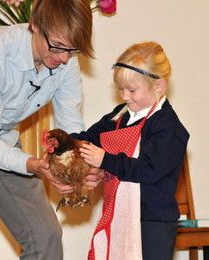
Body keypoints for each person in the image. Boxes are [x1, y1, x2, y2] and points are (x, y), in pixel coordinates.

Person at [0, 0, 104, 259]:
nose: (64, 58)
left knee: (46, 237)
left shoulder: (65, 61)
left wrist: (81, 165)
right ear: (34, 25)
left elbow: (71, 128)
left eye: (73, 50)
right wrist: (34, 165)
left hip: (3, 141)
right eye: (57, 46)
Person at [70, 41, 190, 260]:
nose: (124, 96)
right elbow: (90, 137)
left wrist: (104, 159)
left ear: (159, 86)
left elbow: (148, 170)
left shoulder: (168, 126)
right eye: (120, 89)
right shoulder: (120, 115)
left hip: (153, 222)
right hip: (119, 214)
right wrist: (66, 143)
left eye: (132, 90)